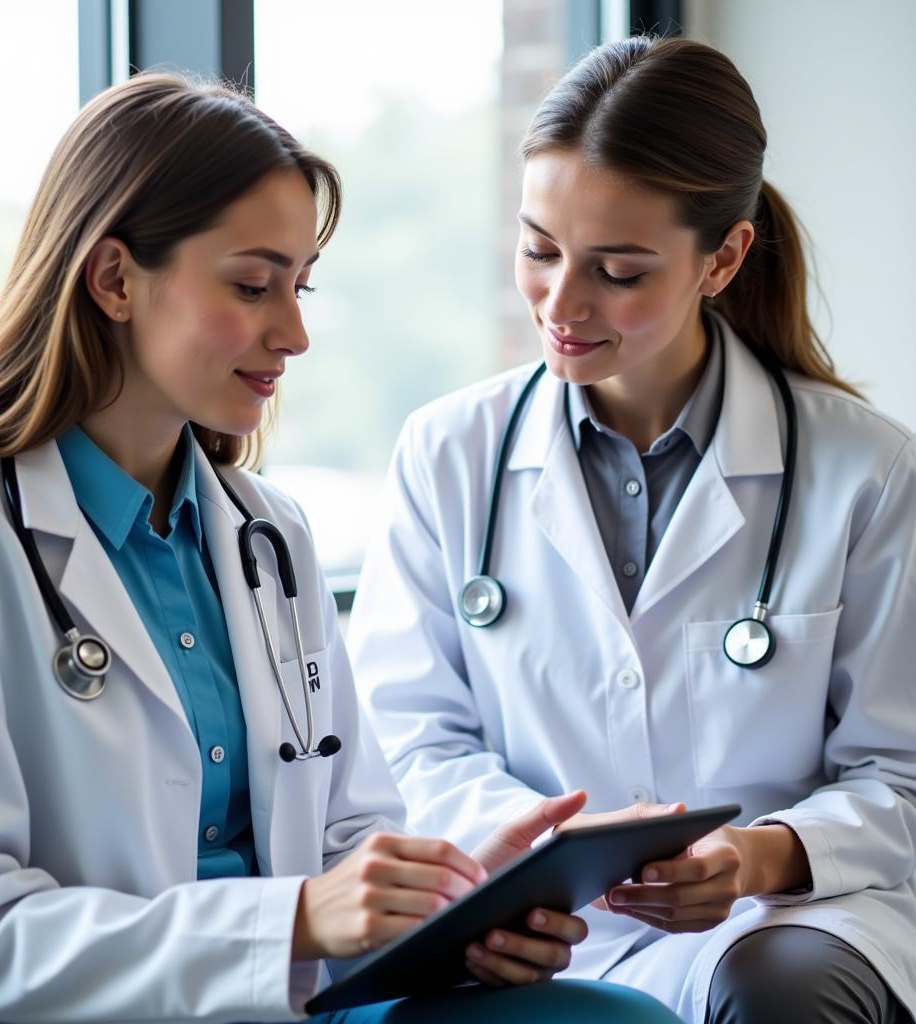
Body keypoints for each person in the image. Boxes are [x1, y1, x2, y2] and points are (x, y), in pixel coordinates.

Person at [0, 73, 680, 1024]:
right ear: (112, 280)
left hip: (295, 1003)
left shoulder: (267, 533)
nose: (296, 332)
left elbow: (348, 831)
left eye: (299, 287)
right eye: (253, 285)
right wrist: (295, 919)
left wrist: (457, 903)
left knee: (618, 1021)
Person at [348, 35, 916, 1024]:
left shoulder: (862, 469)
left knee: (776, 994)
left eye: (616, 270)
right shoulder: (448, 454)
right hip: (523, 916)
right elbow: (406, 738)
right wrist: (534, 846)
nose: (560, 302)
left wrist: (755, 856)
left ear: (723, 258)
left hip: (778, 922)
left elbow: (900, 773)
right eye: (537, 248)